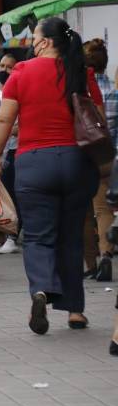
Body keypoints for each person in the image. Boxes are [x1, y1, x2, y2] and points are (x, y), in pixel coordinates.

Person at [0, 17, 99, 335]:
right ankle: (75, 311)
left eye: (33, 38)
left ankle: (40, 289)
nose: (31, 43)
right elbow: (96, 118)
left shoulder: (22, 72)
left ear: (46, 42)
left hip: (34, 163)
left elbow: (5, 119)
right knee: (72, 236)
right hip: (76, 161)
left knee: (37, 236)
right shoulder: (81, 72)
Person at [83, 39, 115, 281]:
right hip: (108, 156)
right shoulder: (113, 92)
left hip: (84, 155)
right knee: (104, 209)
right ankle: (106, 253)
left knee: (84, 211)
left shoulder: (80, 90)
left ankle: (90, 264)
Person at [0, 54, 22, 255]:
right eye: (2, 65)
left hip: (13, 148)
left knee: (12, 193)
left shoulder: (20, 88)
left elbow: (14, 124)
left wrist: (6, 128)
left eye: (10, 67)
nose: (4, 70)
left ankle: (11, 236)